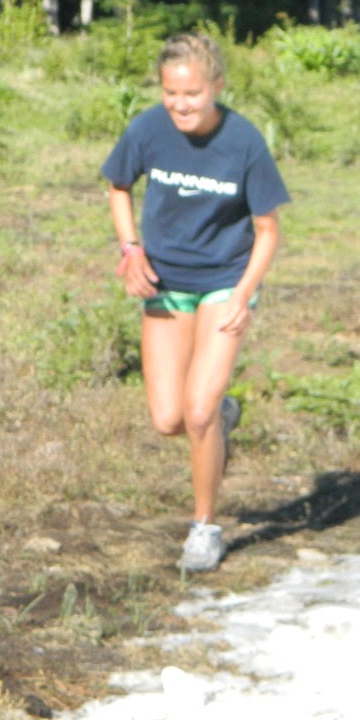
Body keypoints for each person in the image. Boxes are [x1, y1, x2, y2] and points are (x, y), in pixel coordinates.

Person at [102, 33, 289, 574]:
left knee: (198, 411)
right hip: (165, 282)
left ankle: (204, 527)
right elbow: (118, 185)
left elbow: (268, 229)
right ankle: (222, 417)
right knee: (168, 419)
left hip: (226, 282)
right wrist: (130, 248)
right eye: (171, 93)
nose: (180, 105)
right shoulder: (148, 129)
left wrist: (244, 296)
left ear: (217, 88)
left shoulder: (244, 142)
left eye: (192, 94)